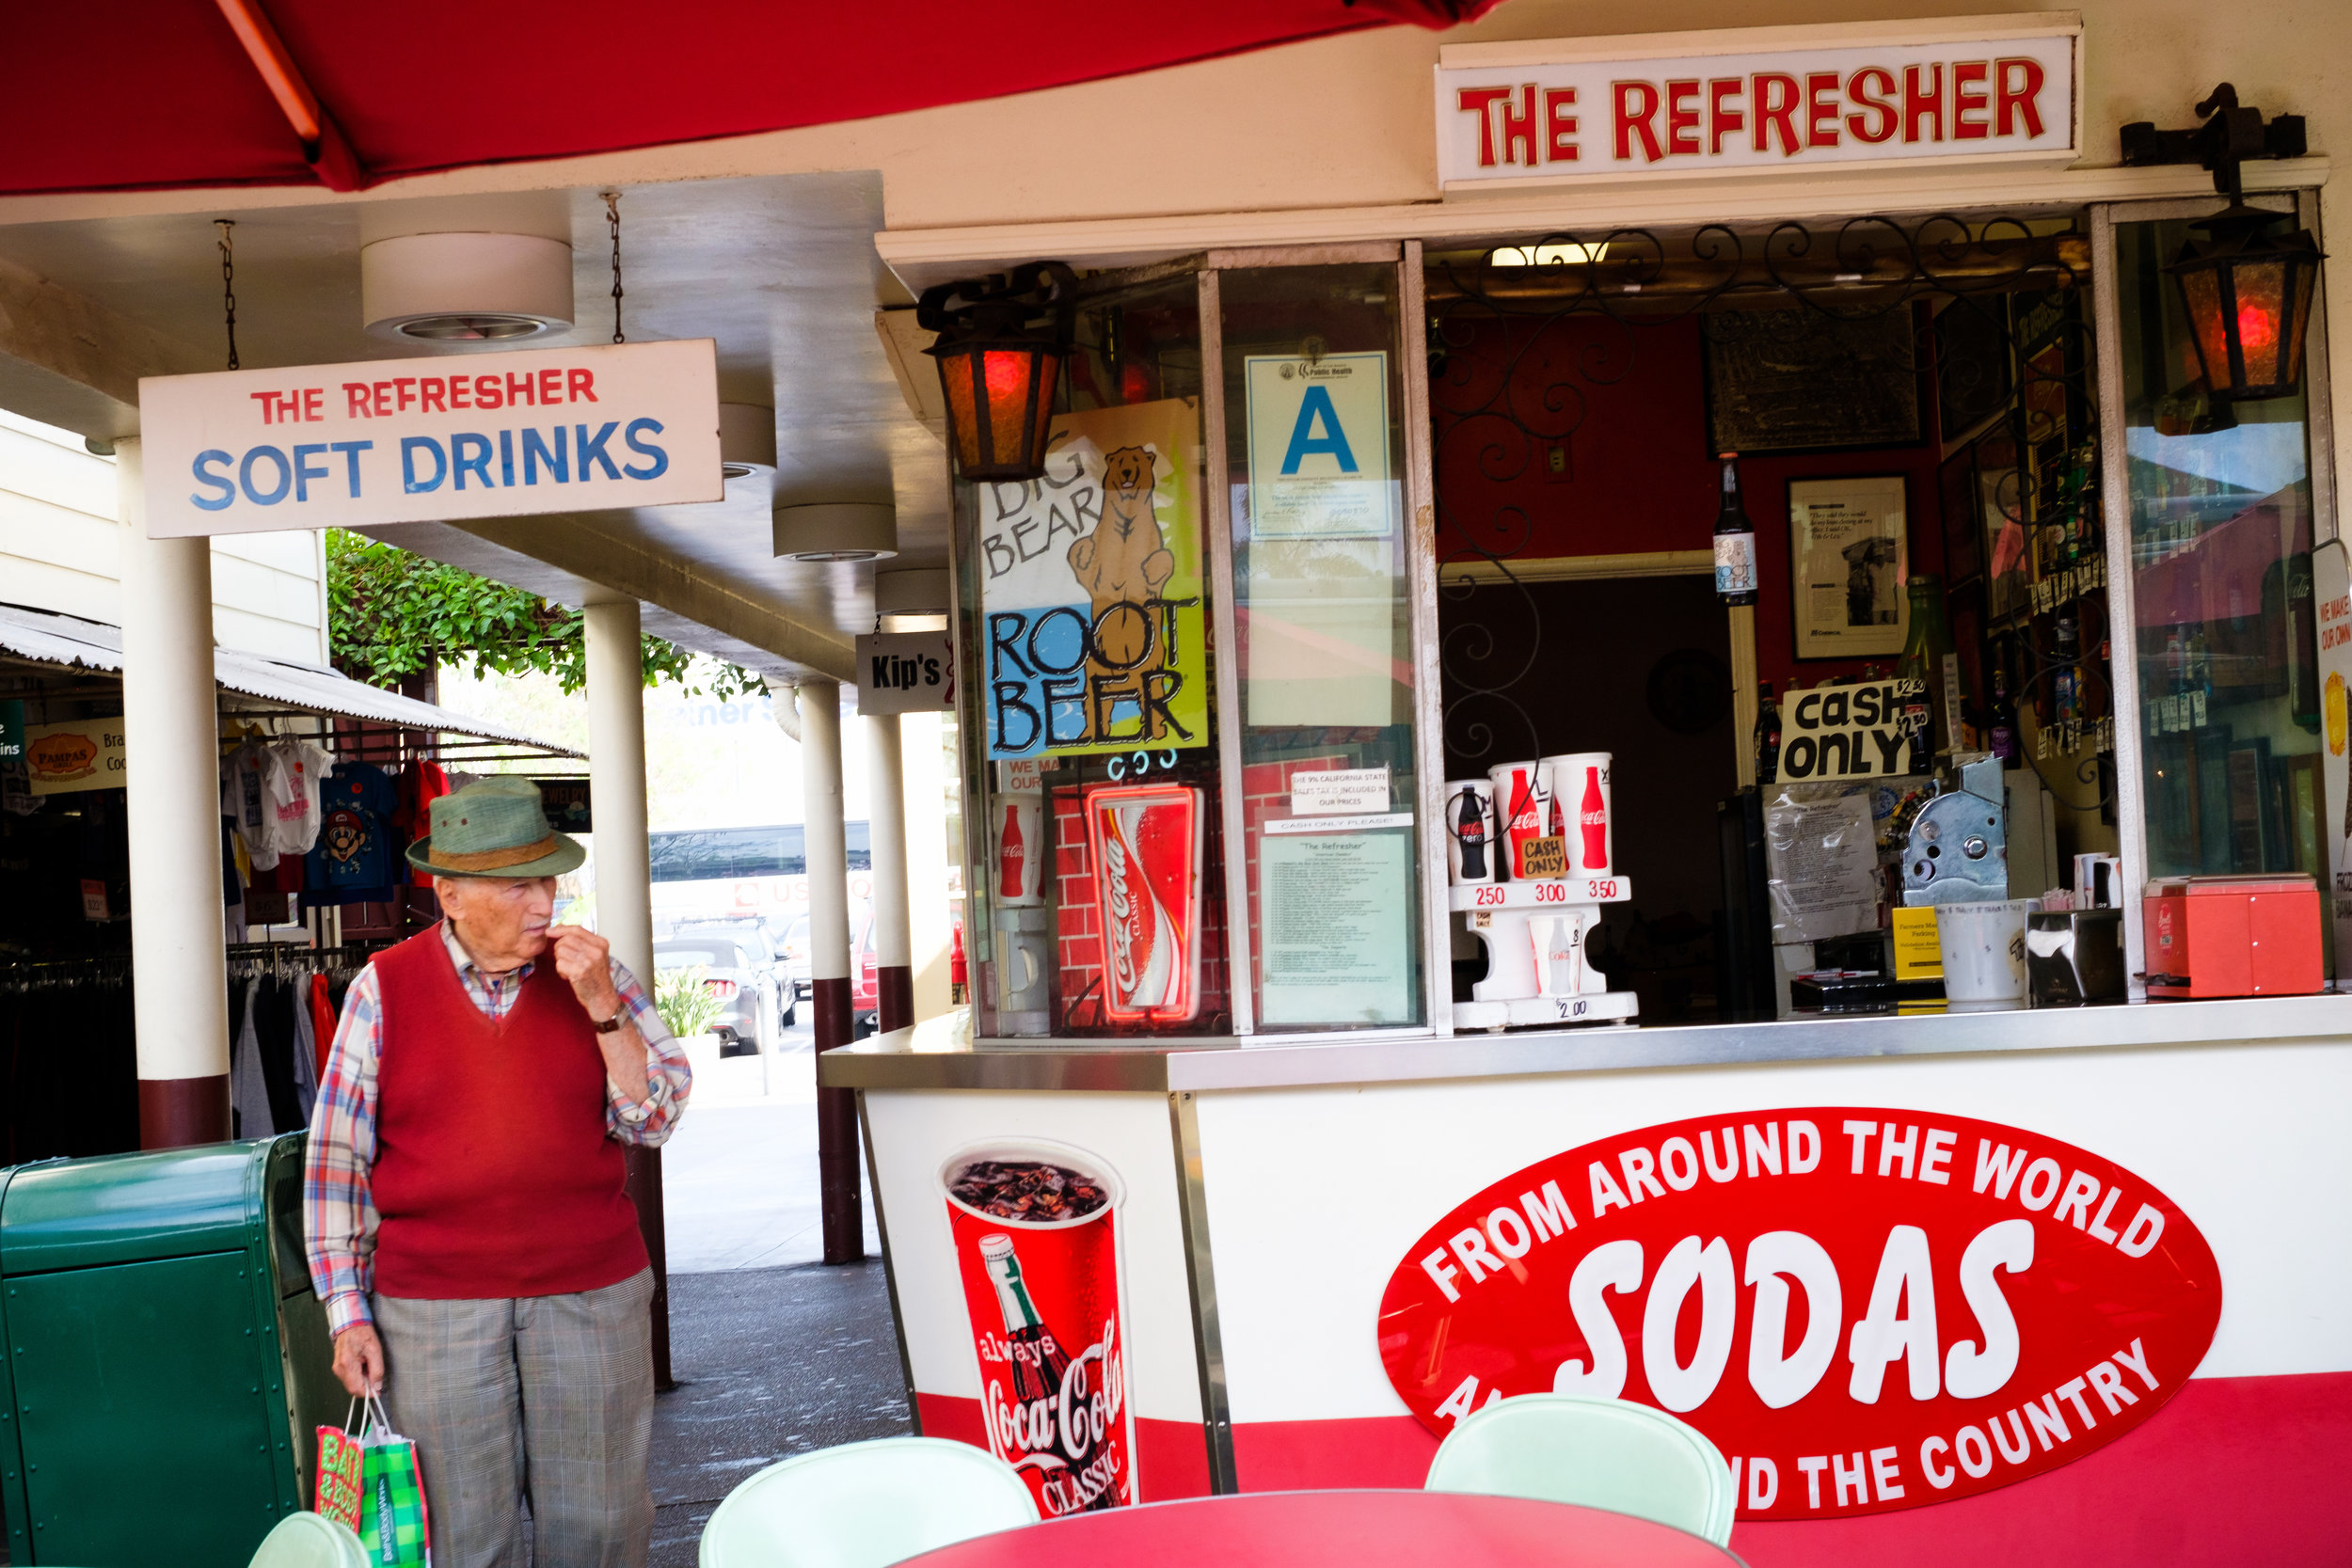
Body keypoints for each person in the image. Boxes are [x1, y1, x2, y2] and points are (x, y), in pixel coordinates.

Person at [304, 776, 691, 1568]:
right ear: (448, 890)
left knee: (600, 1528)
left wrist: (603, 1009)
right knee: (462, 1537)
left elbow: (654, 1118)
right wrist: (347, 1312)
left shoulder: (595, 978)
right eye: (519, 885)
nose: (544, 903)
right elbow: (336, 1163)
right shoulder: (383, 990)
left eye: (548, 878)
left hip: (590, 1292)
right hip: (432, 1309)